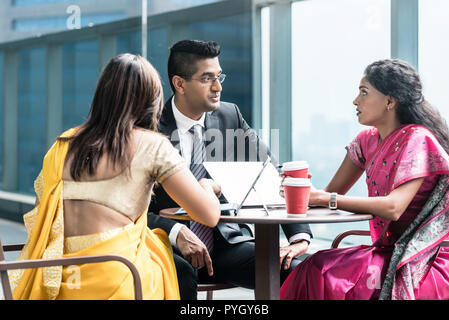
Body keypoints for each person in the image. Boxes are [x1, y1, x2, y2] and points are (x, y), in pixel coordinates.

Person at [8, 53, 221, 300]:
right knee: (177, 269)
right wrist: (205, 185)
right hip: (118, 278)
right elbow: (209, 215)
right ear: (151, 100)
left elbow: (41, 213)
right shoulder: (152, 145)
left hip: (57, 283)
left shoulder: (63, 144)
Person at [148, 39, 313, 299]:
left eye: (219, 76)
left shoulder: (229, 115)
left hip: (225, 243)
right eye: (207, 79)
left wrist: (298, 237)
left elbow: (269, 174)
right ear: (179, 83)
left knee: (300, 269)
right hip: (170, 246)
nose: (218, 87)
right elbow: (134, 210)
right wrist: (175, 232)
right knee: (180, 276)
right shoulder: (149, 128)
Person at [281, 58, 449, 300]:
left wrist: (326, 198)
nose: (355, 101)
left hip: (422, 257)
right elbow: (330, 192)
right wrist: (297, 187)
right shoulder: (366, 141)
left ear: (390, 101)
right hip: (385, 252)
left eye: (364, 92)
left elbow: (393, 207)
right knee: (314, 266)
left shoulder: (418, 138)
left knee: (323, 273)